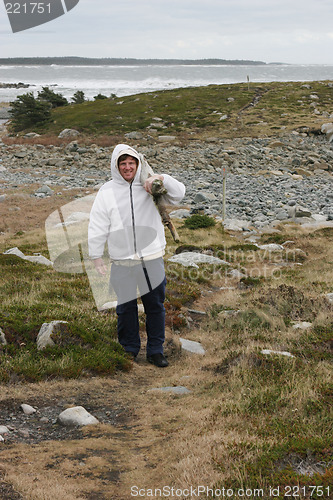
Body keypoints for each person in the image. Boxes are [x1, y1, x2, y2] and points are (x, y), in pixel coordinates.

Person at [88, 144, 185, 367]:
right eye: (122, 163)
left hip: (151, 257)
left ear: (137, 164)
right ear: (116, 166)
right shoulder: (107, 192)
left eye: (131, 162)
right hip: (122, 260)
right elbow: (97, 225)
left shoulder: (151, 185)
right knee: (125, 307)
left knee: (155, 306)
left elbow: (180, 193)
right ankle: (129, 349)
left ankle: (155, 350)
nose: (127, 167)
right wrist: (96, 255)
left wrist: (159, 178)